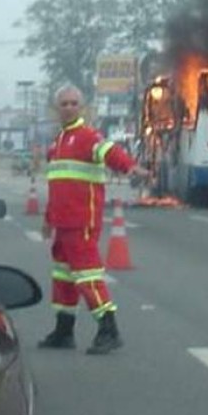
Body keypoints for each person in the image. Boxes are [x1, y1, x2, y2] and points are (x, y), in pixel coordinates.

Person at [38, 84, 149, 355]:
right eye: (64, 104)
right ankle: (64, 331)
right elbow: (56, 186)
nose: (69, 108)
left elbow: (109, 152)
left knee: (87, 276)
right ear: (56, 109)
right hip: (62, 224)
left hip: (82, 222)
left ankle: (108, 329)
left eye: (74, 103)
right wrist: (48, 219)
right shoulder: (56, 145)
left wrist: (129, 166)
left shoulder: (88, 137)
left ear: (83, 108)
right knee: (63, 277)